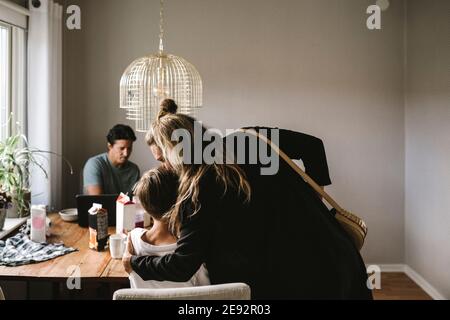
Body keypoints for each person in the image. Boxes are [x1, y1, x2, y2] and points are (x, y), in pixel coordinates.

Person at [123, 103, 372, 299]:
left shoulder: (197, 191)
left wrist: (135, 263)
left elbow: (182, 265)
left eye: (162, 159)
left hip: (294, 283)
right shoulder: (248, 139)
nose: (164, 168)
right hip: (335, 257)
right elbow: (313, 147)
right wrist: (312, 202)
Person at [128, 167, 210, 289]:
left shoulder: (133, 239)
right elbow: (208, 293)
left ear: (144, 207)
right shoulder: (191, 253)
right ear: (180, 202)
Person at [83, 124, 140, 195]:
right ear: (110, 146)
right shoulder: (94, 164)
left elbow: (136, 200)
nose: (126, 153)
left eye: (129, 148)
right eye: (121, 148)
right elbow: (96, 200)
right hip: (101, 206)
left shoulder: (134, 169)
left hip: (126, 206)